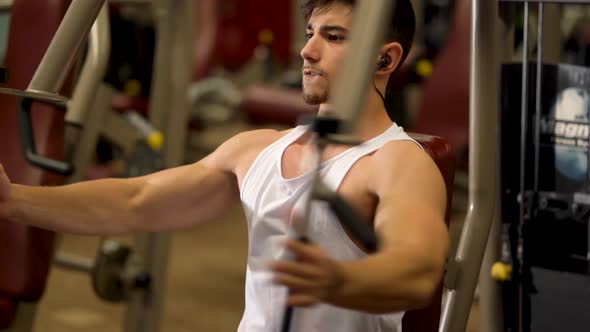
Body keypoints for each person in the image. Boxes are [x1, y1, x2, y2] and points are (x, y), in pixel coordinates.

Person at [0, 0, 449, 331]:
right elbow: (136, 201)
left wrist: (341, 281)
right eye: (310, 32)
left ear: (385, 58)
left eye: (332, 37)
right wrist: (15, 200)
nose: (307, 51)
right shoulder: (255, 149)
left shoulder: (397, 161)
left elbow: (417, 269)